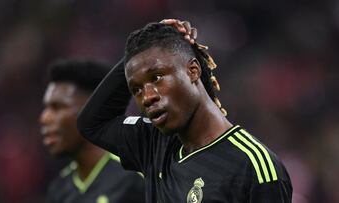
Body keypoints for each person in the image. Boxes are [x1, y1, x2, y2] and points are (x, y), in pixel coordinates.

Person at [77, 20, 293, 202]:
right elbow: (92, 123)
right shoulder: (153, 143)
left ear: (193, 70)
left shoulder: (253, 167)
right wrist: (136, 55)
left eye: (156, 77)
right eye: (137, 89)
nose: (147, 96)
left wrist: (148, 52)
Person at [39, 59, 145, 203]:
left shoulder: (136, 176)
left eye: (58, 107)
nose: (44, 118)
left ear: (92, 109)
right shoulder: (58, 190)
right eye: (46, 108)